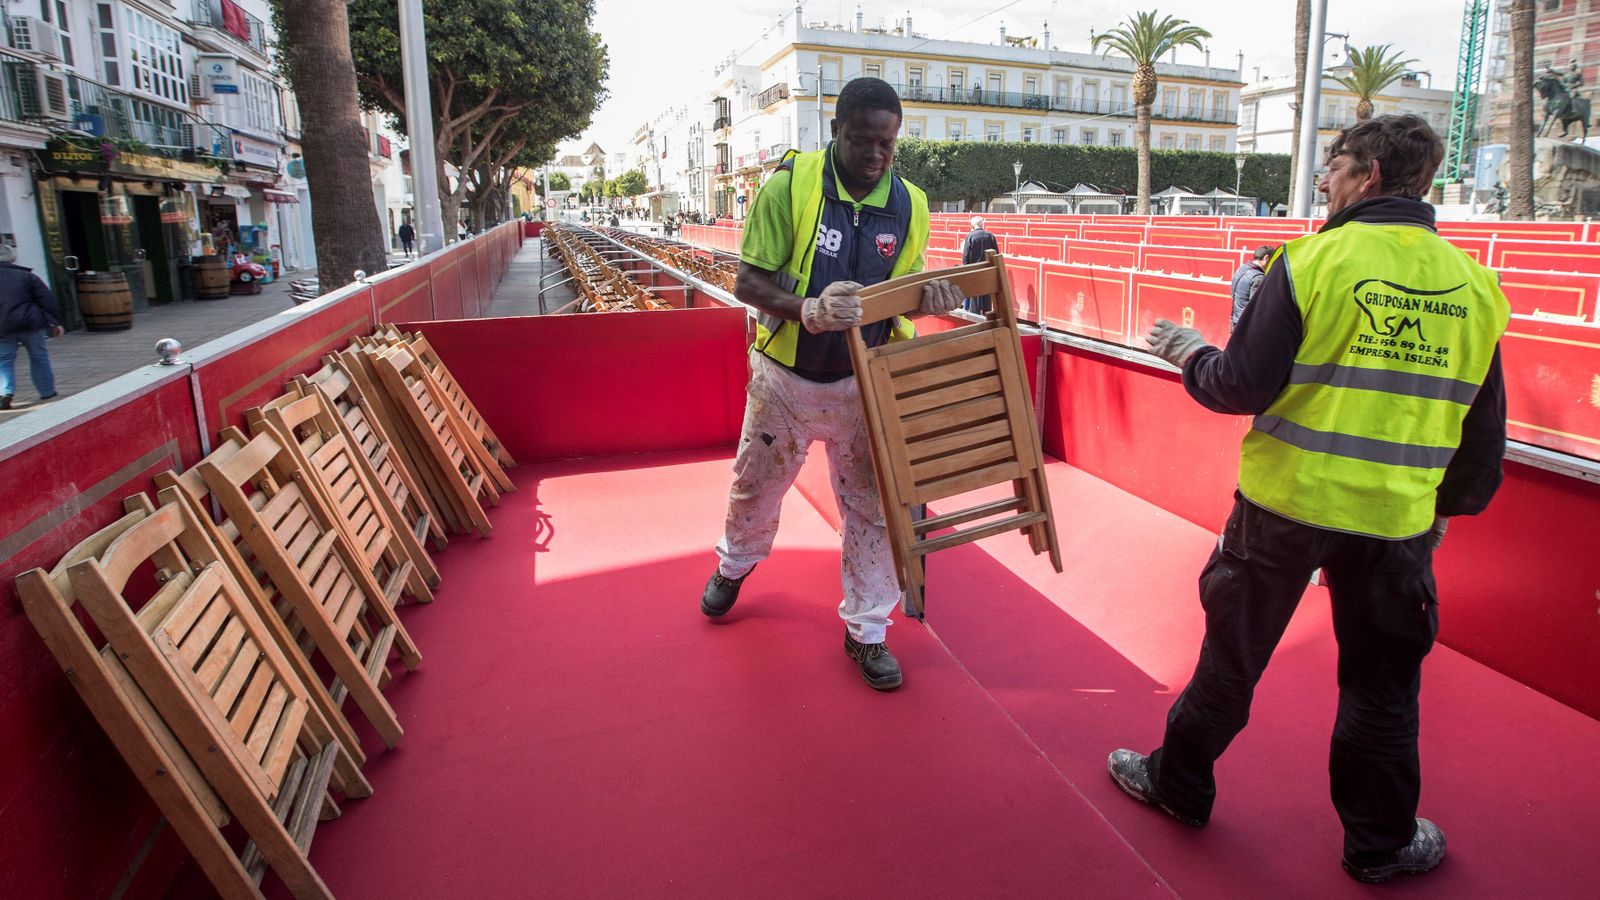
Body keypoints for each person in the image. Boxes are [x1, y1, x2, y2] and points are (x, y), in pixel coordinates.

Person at [1109, 114, 1509, 884]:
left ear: (1373, 177)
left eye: (1335, 164)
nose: (1323, 178)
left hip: (1283, 509)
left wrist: (1191, 353)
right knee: (1383, 690)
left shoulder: (1310, 264)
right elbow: (1480, 434)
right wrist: (1441, 514)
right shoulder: (1476, 285)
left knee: (1231, 664)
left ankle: (1179, 786)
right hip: (1396, 523)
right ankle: (1382, 844)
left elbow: (1241, 386)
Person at [699, 77, 963, 691]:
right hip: (784, 381)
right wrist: (808, 309)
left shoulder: (912, 206)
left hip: (863, 387)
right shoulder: (788, 186)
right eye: (863, 140)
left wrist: (932, 297)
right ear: (835, 132)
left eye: (888, 144)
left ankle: (867, 632)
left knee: (874, 511)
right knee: (754, 489)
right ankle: (734, 566)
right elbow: (748, 283)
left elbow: (902, 293)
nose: (876, 154)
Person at [0, 244, 64, 410]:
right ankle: (47, 391)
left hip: (3, 327)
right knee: (38, 357)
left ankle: (5, 392)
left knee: (4, 360)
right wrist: (53, 322)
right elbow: (46, 300)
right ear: (13, 258)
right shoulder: (26, 276)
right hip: (30, 323)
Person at [960, 216, 1000, 313]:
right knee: (987, 294)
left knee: (975, 296)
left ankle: (976, 314)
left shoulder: (970, 237)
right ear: (982, 224)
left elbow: (966, 256)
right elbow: (996, 253)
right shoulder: (990, 236)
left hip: (975, 270)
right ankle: (987, 313)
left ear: (972, 226)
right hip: (987, 269)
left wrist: (965, 270)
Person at [1228, 245, 1273, 329]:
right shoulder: (1258, 277)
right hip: (1246, 324)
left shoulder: (1241, 268)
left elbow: (1232, 291)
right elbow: (1256, 306)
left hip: (1235, 319)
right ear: (1266, 258)